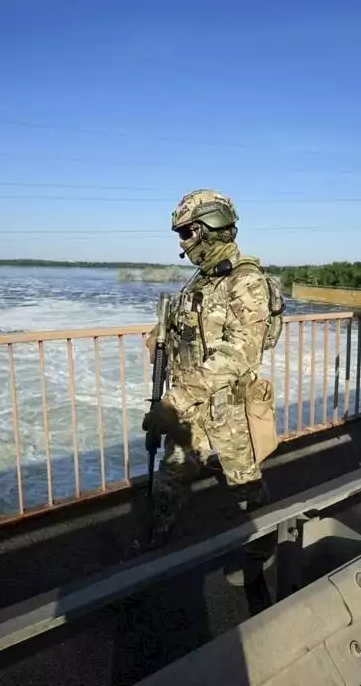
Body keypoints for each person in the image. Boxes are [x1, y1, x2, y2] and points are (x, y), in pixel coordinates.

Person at [136, 189, 283, 563]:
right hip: (192, 404)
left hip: (227, 406)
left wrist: (174, 400)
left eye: (187, 233)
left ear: (210, 228)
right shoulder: (201, 282)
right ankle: (155, 545)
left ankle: (262, 546)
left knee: (244, 481)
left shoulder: (245, 281)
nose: (183, 245)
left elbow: (240, 353)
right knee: (172, 475)